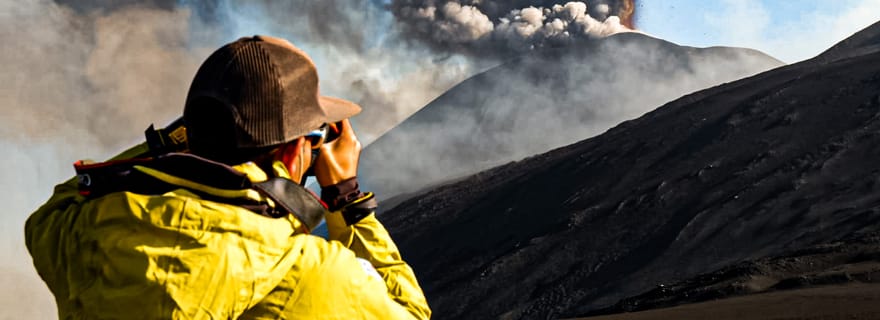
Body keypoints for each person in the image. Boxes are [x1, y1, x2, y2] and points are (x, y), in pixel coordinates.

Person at [25, 35, 431, 319]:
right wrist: (346, 197)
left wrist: (174, 141)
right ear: (294, 149)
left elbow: (65, 198)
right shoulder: (301, 269)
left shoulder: (84, 229)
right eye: (314, 136)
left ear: (192, 134)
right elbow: (409, 314)